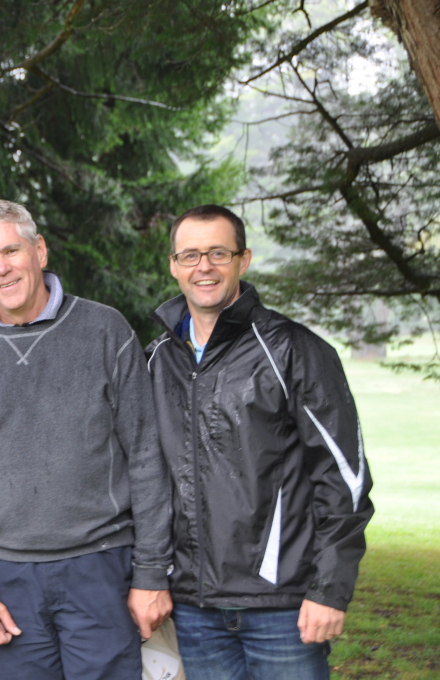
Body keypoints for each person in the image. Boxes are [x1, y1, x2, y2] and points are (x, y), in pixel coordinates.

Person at [0, 199, 174, 680]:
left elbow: (147, 457)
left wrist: (150, 573)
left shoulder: (105, 331)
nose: (1, 267)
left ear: (39, 251)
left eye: (11, 250)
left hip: (101, 567)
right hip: (6, 577)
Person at [146, 204, 374, 680]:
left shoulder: (293, 350)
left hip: (282, 607)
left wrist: (329, 590)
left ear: (243, 260)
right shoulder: (157, 361)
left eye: (218, 253)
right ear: (173, 265)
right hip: (193, 608)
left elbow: (344, 478)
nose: (203, 267)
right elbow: (143, 480)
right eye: (190, 255)